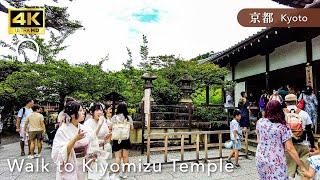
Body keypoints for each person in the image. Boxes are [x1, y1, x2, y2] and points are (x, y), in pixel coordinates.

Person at [255, 100, 306, 179]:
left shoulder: (260, 122)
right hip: (276, 160)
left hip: (260, 158)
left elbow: (259, 140)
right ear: (280, 110)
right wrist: (301, 165)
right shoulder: (283, 127)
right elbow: (290, 148)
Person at [51, 101, 95, 180]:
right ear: (73, 114)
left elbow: (90, 144)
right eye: (80, 110)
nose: (83, 112)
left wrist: (91, 155)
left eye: (83, 110)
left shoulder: (84, 128)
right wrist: (75, 139)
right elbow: (59, 151)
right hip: (69, 165)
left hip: (82, 163)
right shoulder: (62, 130)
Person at [284, 94, 315, 179]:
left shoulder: (282, 114)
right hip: (303, 145)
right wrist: (312, 146)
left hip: (288, 146)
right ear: (296, 101)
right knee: (304, 172)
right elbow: (309, 132)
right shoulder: (304, 113)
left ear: (286, 102)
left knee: (289, 173)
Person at [84, 103, 112, 180]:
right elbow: (90, 138)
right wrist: (99, 125)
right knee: (96, 175)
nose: (99, 112)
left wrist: (108, 136)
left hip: (105, 149)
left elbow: (106, 134)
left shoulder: (104, 121)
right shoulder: (88, 123)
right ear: (91, 112)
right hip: (94, 152)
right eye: (97, 110)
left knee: (105, 173)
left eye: (101, 110)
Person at [110, 102, 134, 179]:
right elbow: (132, 128)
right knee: (125, 157)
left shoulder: (114, 117)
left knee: (117, 157)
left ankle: (116, 174)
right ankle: (124, 173)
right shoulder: (128, 117)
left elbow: (110, 128)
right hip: (125, 139)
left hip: (116, 139)